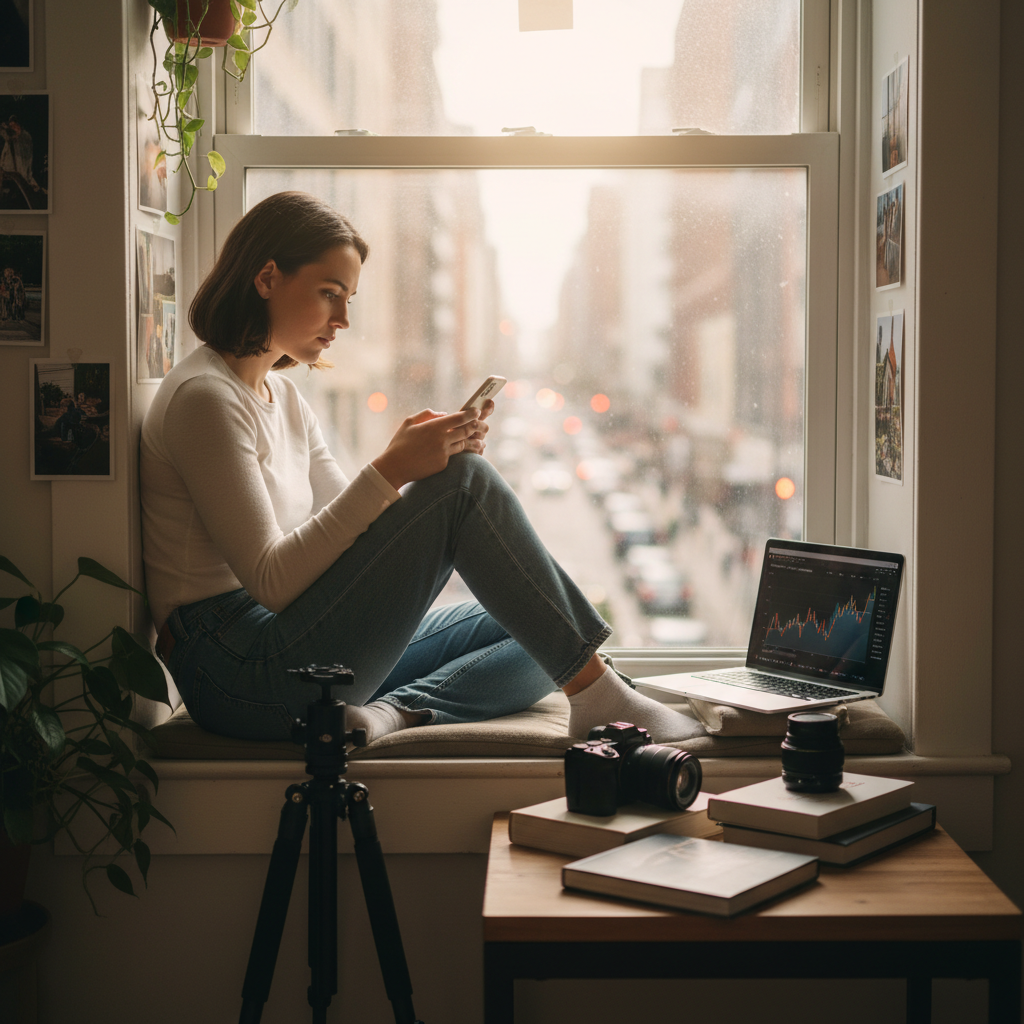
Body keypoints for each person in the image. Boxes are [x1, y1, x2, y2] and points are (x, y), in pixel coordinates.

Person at [140, 191, 699, 747]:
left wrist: (422, 463)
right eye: (330, 294)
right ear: (266, 279)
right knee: (468, 492)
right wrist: (396, 471)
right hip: (237, 670)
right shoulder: (204, 398)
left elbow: (356, 536)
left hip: (290, 640)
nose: (344, 320)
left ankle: (394, 714)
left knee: (537, 620)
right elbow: (273, 580)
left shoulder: (280, 395)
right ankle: (604, 698)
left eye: (350, 298)